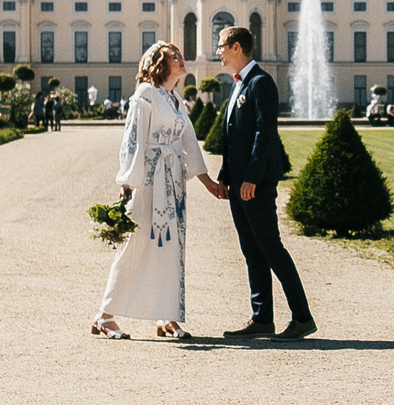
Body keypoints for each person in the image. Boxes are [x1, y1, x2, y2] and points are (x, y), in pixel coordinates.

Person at [92, 41, 226, 341]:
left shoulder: (176, 100)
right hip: (150, 181)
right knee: (137, 246)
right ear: (159, 64)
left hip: (174, 184)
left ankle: (168, 315)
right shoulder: (146, 95)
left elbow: (189, 143)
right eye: (174, 56)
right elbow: (132, 139)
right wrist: (127, 183)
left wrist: (209, 184)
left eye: (180, 55)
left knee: (172, 250)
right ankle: (104, 314)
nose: (181, 59)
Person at [214, 25, 317, 342]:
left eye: (221, 45)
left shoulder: (261, 82)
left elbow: (264, 134)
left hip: (254, 185)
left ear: (236, 47)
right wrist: (224, 175)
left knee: (271, 248)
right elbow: (235, 138)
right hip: (238, 184)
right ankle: (262, 319)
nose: (217, 51)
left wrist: (251, 179)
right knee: (252, 251)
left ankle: (302, 317)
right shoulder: (239, 85)